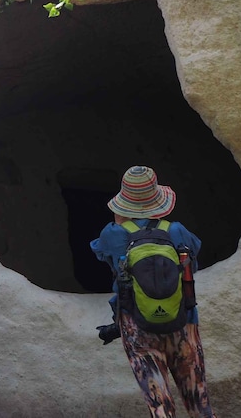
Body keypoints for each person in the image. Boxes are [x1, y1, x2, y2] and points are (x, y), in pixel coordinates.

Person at [90, 166, 216, 418]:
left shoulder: (112, 233)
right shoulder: (178, 230)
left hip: (138, 328)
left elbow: (101, 252)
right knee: (199, 404)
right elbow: (195, 257)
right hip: (184, 324)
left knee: (160, 406)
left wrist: (121, 225)